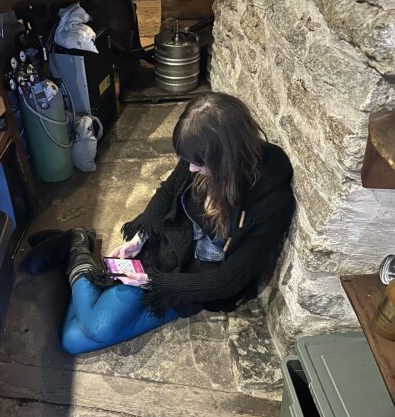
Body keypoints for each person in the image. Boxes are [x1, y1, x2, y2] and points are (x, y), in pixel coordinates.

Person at [23, 92, 295, 354]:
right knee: (91, 330)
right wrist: (140, 238)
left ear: (226, 158)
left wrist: (152, 281)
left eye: (198, 163)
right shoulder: (203, 152)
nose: (190, 169)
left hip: (193, 283)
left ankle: (75, 247)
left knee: (73, 339)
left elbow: (228, 279)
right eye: (188, 161)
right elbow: (167, 193)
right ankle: (77, 248)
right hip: (162, 256)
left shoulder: (270, 201)